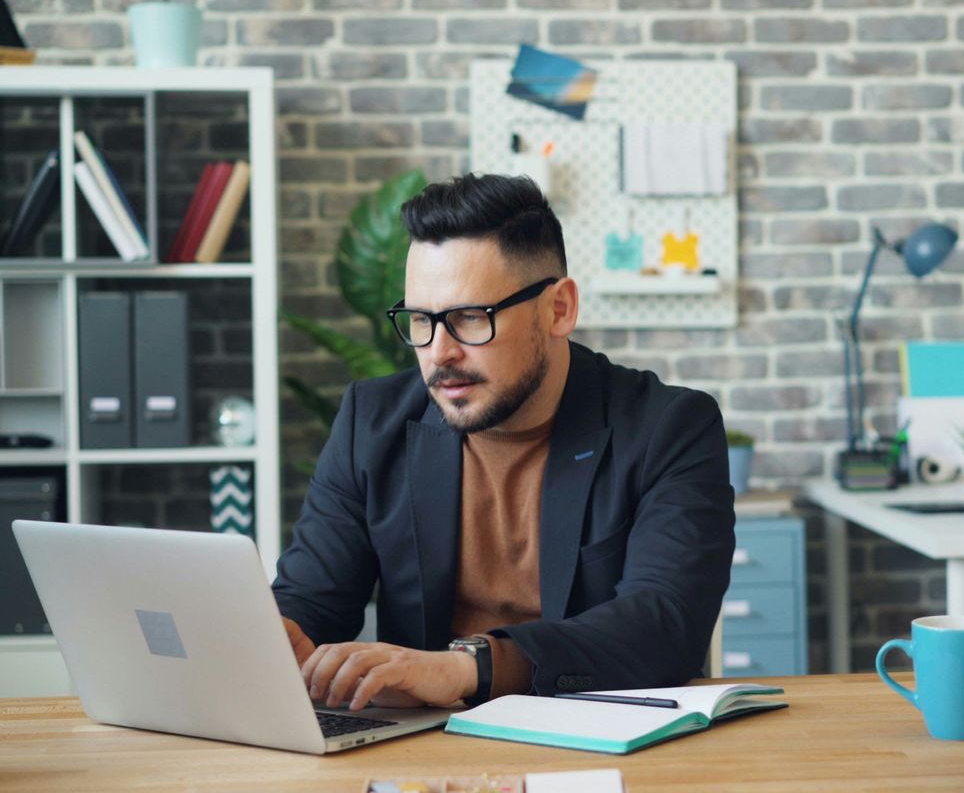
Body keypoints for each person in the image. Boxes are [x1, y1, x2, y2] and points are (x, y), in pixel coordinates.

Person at [272, 173, 735, 713]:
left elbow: (664, 623)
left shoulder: (667, 427)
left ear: (558, 309)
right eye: (421, 320)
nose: (439, 352)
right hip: (424, 743)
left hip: (603, 733)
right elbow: (312, 600)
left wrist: (468, 668)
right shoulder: (370, 422)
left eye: (470, 318)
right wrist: (279, 636)